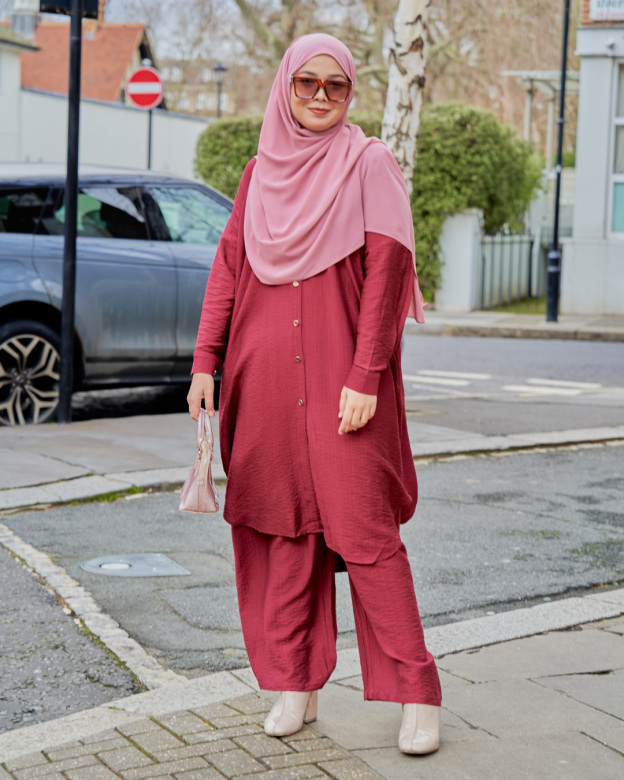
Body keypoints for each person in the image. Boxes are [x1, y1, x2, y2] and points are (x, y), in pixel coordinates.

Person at [187, 32, 442, 755]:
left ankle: (418, 692)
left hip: (342, 382)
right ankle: (294, 684)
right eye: (308, 83)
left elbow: (387, 277)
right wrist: (205, 361)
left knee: (365, 534)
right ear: (286, 88)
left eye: (337, 85)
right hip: (263, 379)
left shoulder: (370, 163)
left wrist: (365, 375)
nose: (322, 96)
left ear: (351, 92)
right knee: (282, 533)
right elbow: (229, 267)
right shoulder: (258, 172)